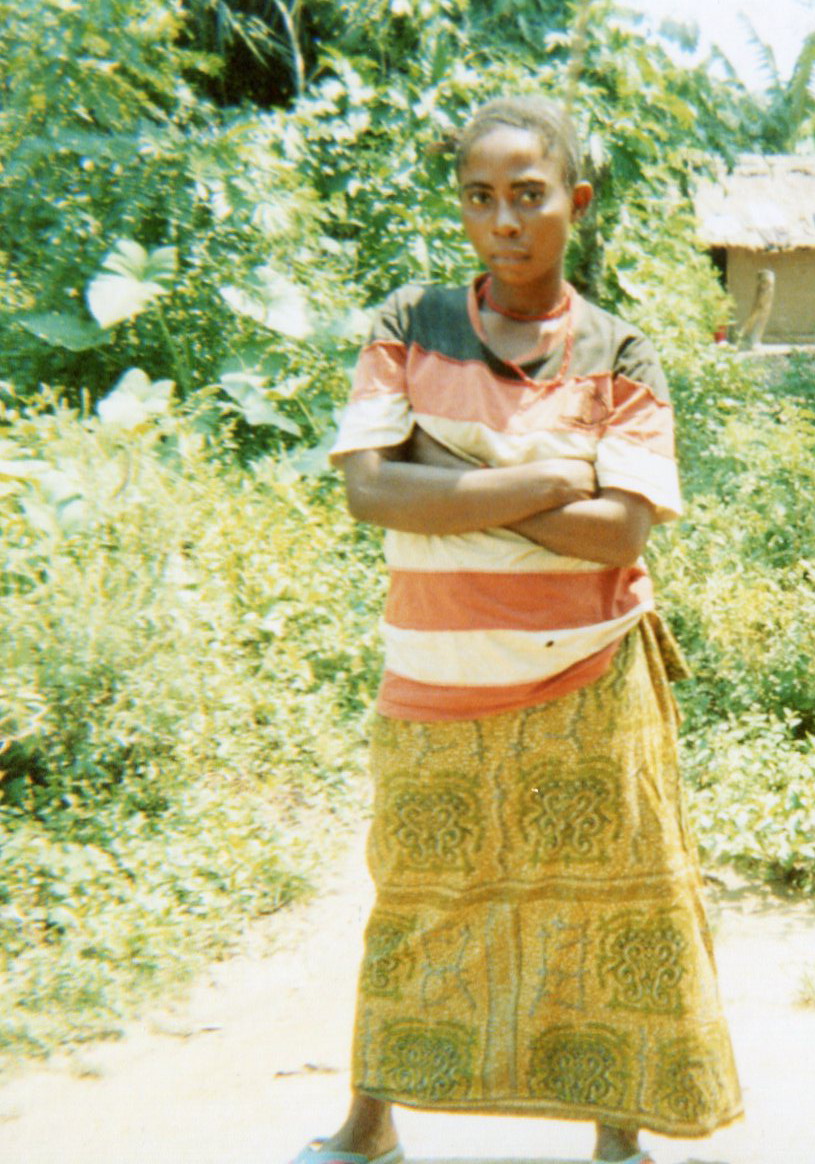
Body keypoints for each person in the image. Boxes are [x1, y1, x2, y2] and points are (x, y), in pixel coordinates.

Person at [296, 95, 741, 1164]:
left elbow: (618, 531)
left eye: (530, 196)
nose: (506, 220)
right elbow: (369, 492)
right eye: (482, 197)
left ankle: (618, 1142)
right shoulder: (409, 323)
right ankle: (368, 1131)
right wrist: (547, 474)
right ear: (462, 207)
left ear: (575, 204)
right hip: (434, 679)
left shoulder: (622, 351)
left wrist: (448, 475)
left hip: (590, 676)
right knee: (415, 897)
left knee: (614, 908)